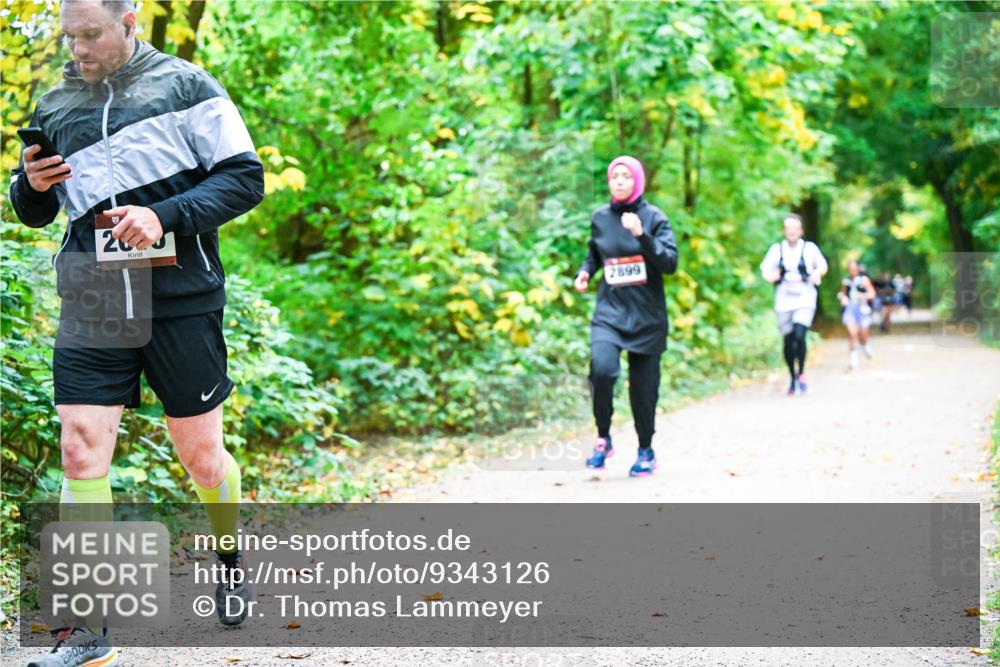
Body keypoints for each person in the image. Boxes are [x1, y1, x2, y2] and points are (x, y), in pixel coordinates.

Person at [10, 1, 264, 663]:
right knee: (80, 448)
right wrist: (29, 186)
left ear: (131, 20)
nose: (80, 50)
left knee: (202, 457)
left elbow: (245, 178)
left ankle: (230, 555)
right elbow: (37, 206)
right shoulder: (57, 102)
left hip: (181, 294)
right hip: (94, 293)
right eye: (71, 38)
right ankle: (88, 631)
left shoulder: (187, 86)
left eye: (91, 34)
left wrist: (165, 215)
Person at [574, 156, 678, 477]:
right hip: (610, 313)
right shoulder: (600, 218)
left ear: (637, 181)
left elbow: (670, 263)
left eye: (625, 176)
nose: (619, 181)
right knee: (602, 370)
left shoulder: (654, 218)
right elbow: (595, 253)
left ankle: (646, 449)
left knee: (643, 391)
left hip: (647, 317)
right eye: (613, 176)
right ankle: (603, 436)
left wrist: (642, 236)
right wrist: (585, 272)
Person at [759, 214, 828, 395]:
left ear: (801, 231)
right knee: (788, 341)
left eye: (795, 228)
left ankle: (802, 373)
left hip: (804, 298)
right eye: (788, 228)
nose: (791, 231)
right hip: (784, 300)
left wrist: (817, 273)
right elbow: (765, 270)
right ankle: (792, 377)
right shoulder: (777, 250)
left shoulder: (809, 248)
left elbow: (822, 265)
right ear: (785, 230)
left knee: (800, 334)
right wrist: (770, 276)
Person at [838, 260, 876, 369]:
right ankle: (853, 359)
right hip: (850, 309)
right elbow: (841, 293)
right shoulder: (846, 281)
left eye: (854, 269)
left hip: (862, 309)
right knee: (852, 333)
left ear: (858, 269)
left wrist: (862, 296)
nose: (852, 271)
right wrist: (843, 298)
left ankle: (865, 345)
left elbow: (872, 293)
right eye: (850, 269)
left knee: (863, 334)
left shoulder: (864, 280)